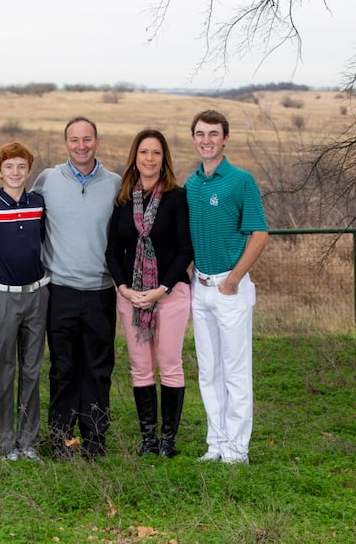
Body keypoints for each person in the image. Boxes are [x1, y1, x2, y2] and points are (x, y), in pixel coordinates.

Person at [31, 117, 121, 460]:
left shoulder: (114, 184)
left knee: (98, 368)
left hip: (100, 290)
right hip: (61, 290)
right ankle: (61, 439)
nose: (80, 145)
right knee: (64, 367)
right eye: (74, 140)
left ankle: (95, 439)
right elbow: (27, 222)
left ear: (97, 141)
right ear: (65, 143)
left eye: (87, 139)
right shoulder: (48, 180)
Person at [185, 110, 269, 465]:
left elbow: (260, 234)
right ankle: (216, 444)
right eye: (201, 134)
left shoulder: (240, 181)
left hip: (229, 289)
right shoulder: (191, 184)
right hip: (199, 287)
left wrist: (234, 279)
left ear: (225, 139)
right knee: (209, 371)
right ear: (194, 139)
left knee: (235, 372)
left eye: (213, 134)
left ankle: (237, 450)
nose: (207, 140)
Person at [105, 129, 193, 458]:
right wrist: (124, 288)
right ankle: (148, 440)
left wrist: (160, 289)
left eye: (156, 153)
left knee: (169, 364)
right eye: (144, 152)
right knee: (140, 367)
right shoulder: (124, 200)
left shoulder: (176, 197)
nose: (150, 158)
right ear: (135, 158)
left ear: (164, 159)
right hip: (132, 297)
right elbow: (113, 251)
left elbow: (186, 249)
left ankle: (167, 441)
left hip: (169, 294)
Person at [0, 142, 49, 462]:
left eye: (21, 167)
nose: (15, 173)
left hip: (37, 295)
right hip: (3, 297)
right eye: (9, 167)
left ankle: (27, 442)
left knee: (31, 370)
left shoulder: (39, 204)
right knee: (3, 370)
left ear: (29, 171)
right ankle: (3, 444)